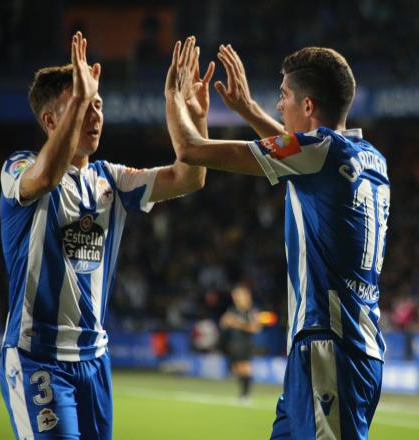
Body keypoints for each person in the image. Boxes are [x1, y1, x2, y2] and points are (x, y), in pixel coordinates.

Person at [165, 38, 390, 439]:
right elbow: (303, 158)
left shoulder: (320, 152)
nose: (278, 105)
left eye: (283, 96)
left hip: (330, 345)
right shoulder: (367, 157)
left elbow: (189, 149)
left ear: (308, 106)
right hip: (341, 345)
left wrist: (176, 99)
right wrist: (247, 110)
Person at [0, 33, 213, 439]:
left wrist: (189, 115)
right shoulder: (18, 168)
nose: (95, 115)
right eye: (82, 106)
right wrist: (79, 97)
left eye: (98, 105)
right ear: (50, 121)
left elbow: (190, 177)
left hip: (94, 359)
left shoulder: (110, 178)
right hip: (37, 357)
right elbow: (44, 177)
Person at [219, 284, 261, 402]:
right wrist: (226, 322)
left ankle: (246, 395)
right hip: (233, 342)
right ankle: (242, 394)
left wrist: (239, 324)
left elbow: (256, 328)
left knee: (245, 368)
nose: (236, 297)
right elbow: (223, 322)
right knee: (236, 368)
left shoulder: (251, 310)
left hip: (245, 343)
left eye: (239, 295)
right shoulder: (232, 310)